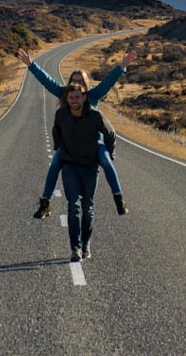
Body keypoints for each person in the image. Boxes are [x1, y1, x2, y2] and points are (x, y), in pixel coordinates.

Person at [17, 47, 135, 218]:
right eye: (75, 80)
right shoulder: (65, 94)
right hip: (70, 144)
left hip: (94, 143)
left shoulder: (93, 95)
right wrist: (31, 65)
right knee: (55, 164)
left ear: (86, 85)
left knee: (107, 162)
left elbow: (108, 81)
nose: (78, 84)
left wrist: (122, 66)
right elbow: (47, 80)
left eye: (81, 81)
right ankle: (45, 203)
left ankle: (118, 198)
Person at [52, 82, 115, 261]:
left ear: (85, 97)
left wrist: (109, 156)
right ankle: (75, 248)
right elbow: (56, 131)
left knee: (87, 208)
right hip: (70, 166)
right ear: (67, 99)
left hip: (90, 167)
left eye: (78, 97)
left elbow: (110, 134)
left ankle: (86, 242)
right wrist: (59, 148)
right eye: (71, 98)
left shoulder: (95, 116)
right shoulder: (61, 115)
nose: (74, 101)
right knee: (74, 206)